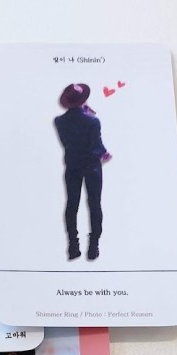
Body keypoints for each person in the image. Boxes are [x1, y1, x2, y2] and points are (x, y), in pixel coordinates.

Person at [54, 83, 112, 261]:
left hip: (72, 166)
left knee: (72, 204)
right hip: (91, 167)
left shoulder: (59, 121)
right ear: (83, 100)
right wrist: (104, 154)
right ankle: (93, 247)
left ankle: (73, 246)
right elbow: (96, 146)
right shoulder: (93, 121)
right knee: (94, 204)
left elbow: (72, 140)